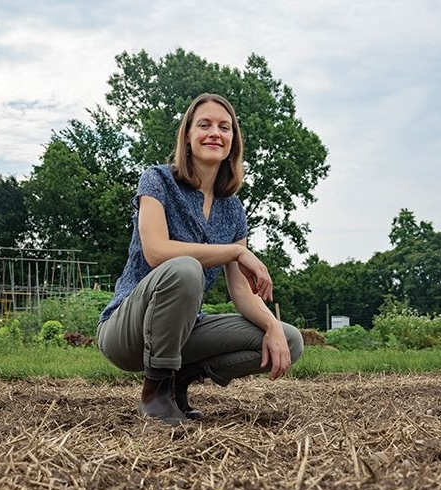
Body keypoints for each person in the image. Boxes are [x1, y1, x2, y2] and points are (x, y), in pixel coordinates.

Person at [97, 93, 304, 426]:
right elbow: (156, 252)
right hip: (127, 330)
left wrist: (271, 327)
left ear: (232, 142)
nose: (214, 133)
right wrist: (235, 251)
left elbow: (241, 292)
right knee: (184, 268)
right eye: (204, 125)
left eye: (224, 127)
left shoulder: (233, 209)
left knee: (289, 339)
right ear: (188, 136)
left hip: (183, 330)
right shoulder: (158, 180)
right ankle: (155, 393)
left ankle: (179, 379)